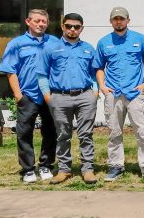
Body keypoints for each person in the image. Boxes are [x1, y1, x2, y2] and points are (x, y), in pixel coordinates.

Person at [95, 6, 144, 182]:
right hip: (113, 93)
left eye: (121, 18)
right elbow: (98, 66)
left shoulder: (140, 39)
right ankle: (116, 165)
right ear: (111, 21)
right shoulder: (104, 42)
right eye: (115, 19)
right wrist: (102, 86)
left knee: (142, 130)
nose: (118, 21)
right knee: (114, 131)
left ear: (128, 20)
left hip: (134, 93)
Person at [0, 8, 61, 183]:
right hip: (28, 95)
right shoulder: (16, 44)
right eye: (37, 21)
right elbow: (10, 70)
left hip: (49, 94)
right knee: (24, 132)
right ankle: (27, 169)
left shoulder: (55, 42)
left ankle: (46, 165)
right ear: (28, 21)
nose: (41, 24)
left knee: (51, 131)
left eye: (44, 21)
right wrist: (18, 95)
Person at [39, 12, 98, 185]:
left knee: (86, 135)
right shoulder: (51, 48)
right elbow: (42, 74)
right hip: (59, 97)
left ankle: (88, 169)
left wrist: (94, 93)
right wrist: (48, 97)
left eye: (76, 27)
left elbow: (95, 73)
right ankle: (64, 169)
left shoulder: (88, 48)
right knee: (63, 135)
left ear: (81, 29)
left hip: (85, 96)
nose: (72, 29)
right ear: (62, 26)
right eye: (69, 26)